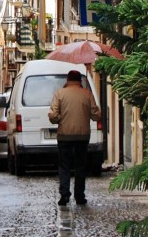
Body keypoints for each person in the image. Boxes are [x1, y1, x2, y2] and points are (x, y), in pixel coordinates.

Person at [48, 69, 101, 207]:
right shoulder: (87, 94)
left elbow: (53, 116)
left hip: (64, 135)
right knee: (80, 166)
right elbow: (96, 115)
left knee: (64, 166)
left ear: (67, 80)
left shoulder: (60, 93)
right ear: (80, 80)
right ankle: (80, 196)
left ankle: (64, 195)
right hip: (83, 136)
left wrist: (60, 119)